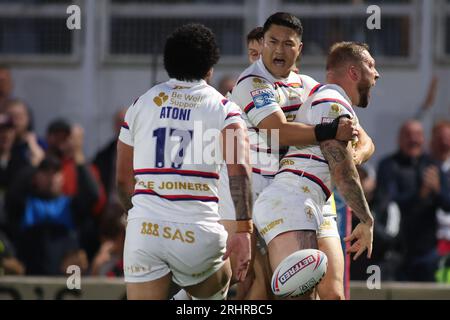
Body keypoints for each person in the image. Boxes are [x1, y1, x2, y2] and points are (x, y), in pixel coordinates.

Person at [117, 23, 252, 300]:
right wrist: (243, 229)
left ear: (168, 63)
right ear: (210, 67)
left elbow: (122, 179)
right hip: (197, 233)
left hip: (145, 231)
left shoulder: (140, 104)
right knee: (216, 287)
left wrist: (139, 214)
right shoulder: (224, 109)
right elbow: (240, 172)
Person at [253, 41, 379, 299]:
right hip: (291, 202)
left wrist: (352, 156)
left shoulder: (336, 103)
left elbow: (366, 146)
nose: (377, 74)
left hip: (314, 203)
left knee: (334, 295)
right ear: (354, 73)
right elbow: (344, 175)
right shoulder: (331, 103)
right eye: (371, 66)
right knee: (298, 296)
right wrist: (366, 219)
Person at [375, 120, 450, 281]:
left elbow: (447, 204)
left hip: (428, 252)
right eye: (408, 135)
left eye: (417, 135)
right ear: (399, 139)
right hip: (396, 251)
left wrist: (437, 190)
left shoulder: (432, 165)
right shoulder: (388, 166)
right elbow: (388, 202)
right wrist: (420, 195)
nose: (413, 140)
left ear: (424, 139)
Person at [93, 108, 127, 201]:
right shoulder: (103, 155)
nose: (122, 127)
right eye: (119, 123)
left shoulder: (145, 153)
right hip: (111, 206)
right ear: (114, 126)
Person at [431, 121, 450, 257]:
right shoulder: (424, 167)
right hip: (432, 240)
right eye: (440, 139)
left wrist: (437, 189)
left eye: (447, 139)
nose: (444, 143)